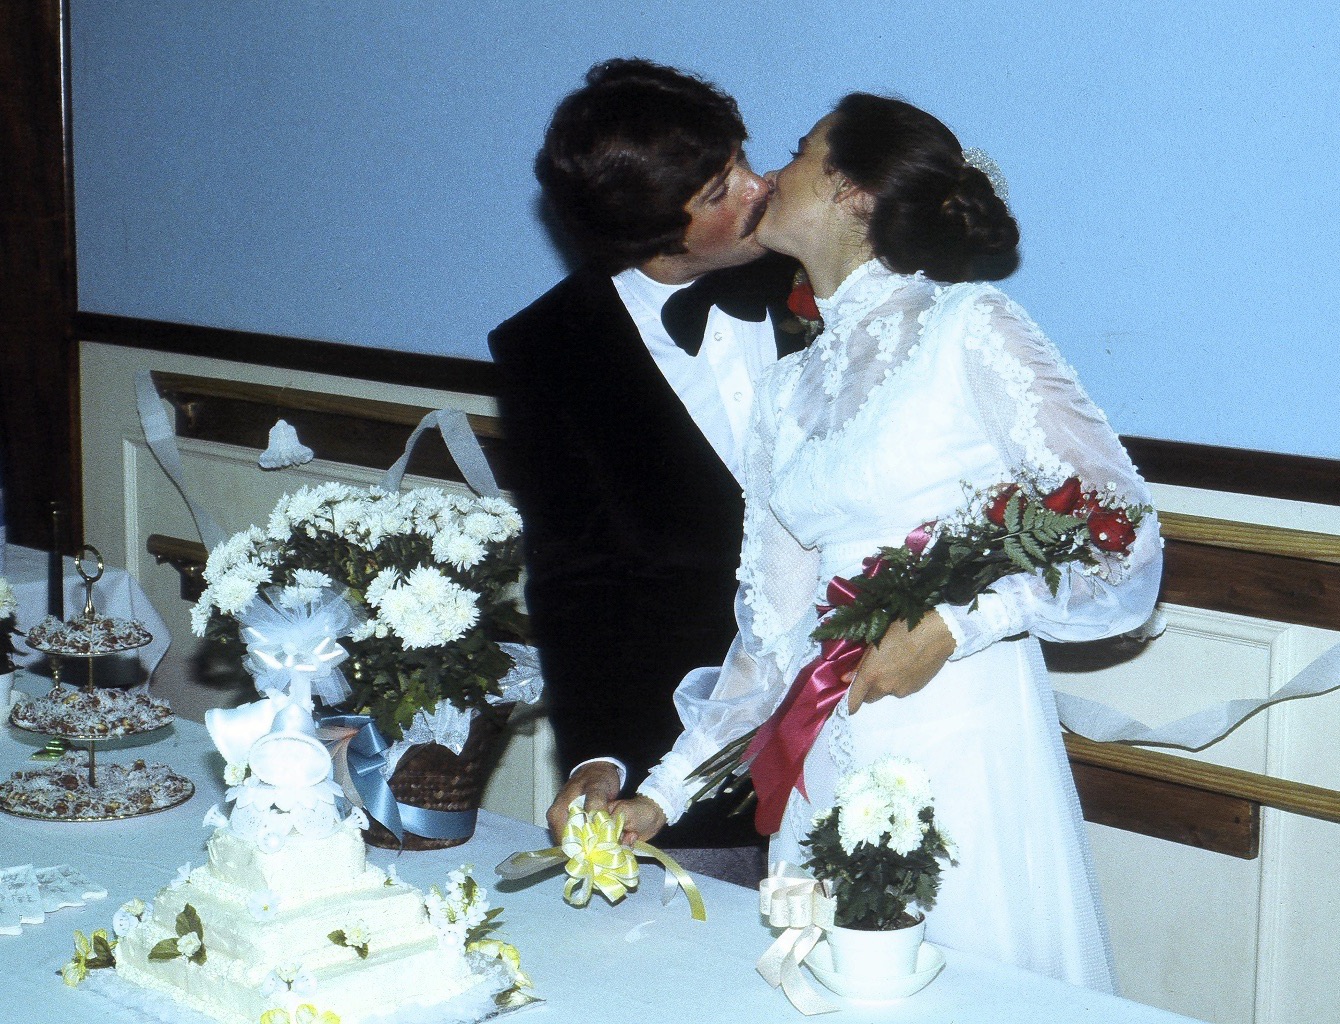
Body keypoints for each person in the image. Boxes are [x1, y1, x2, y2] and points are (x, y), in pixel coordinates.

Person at [610, 93, 1162, 992]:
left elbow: (1122, 536)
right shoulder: (789, 388)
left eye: (799, 153)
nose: (775, 173)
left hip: (960, 729)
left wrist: (955, 624)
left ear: (854, 194)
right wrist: (662, 792)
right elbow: (773, 637)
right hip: (829, 745)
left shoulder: (969, 328)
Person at [488, 59, 810, 883]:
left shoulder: (822, 274)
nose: (760, 186)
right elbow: (577, 579)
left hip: (869, 716)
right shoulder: (547, 351)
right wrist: (601, 756)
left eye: (743, 157)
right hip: (691, 762)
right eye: (720, 188)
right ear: (652, 229)